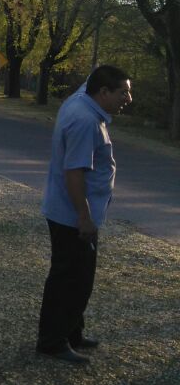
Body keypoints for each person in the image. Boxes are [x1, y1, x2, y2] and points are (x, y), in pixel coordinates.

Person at [36, 64, 132, 364]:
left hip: (74, 212)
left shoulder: (83, 99)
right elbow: (74, 172)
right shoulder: (85, 121)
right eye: (122, 93)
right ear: (103, 92)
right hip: (72, 215)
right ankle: (53, 342)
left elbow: (89, 79)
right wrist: (84, 218)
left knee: (80, 278)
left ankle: (72, 332)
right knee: (69, 279)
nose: (127, 99)